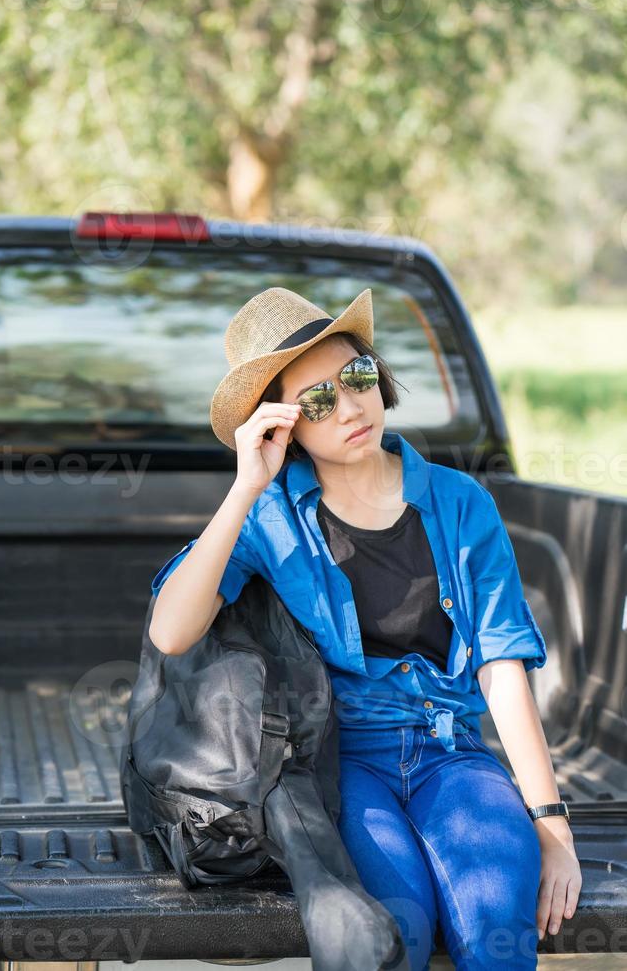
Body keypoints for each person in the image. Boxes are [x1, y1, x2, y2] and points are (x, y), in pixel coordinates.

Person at [149, 286, 583, 970]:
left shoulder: (460, 502)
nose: (350, 406)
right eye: (316, 400)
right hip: (342, 765)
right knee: (392, 931)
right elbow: (172, 632)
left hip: (453, 755)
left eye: (356, 377)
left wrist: (550, 824)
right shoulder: (270, 517)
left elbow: (503, 671)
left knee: (497, 923)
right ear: (283, 424)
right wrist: (243, 487)